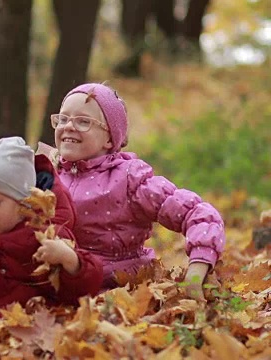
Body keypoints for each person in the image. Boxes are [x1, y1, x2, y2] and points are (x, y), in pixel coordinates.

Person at [44, 82, 225, 299]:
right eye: (63, 119)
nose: (69, 126)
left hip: (118, 289)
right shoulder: (47, 173)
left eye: (83, 121)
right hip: (57, 285)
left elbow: (197, 214)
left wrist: (196, 273)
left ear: (110, 137)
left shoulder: (128, 179)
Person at [0, 136, 103, 333]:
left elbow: (83, 288)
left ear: (24, 203)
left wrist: (70, 260)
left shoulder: (43, 236)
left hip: (27, 336)